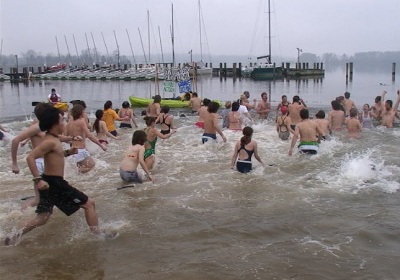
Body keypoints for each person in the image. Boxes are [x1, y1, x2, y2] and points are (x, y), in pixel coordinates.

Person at [4, 106, 103, 246]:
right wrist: (37, 180)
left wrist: (69, 152)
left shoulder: (53, 138)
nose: (64, 124)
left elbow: (56, 156)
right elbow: (30, 157)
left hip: (49, 181)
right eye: (62, 121)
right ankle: (99, 236)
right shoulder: (49, 141)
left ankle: (12, 237)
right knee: (89, 204)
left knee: (43, 217)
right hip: (55, 182)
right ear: (54, 124)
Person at [11, 103, 79, 208]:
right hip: (38, 162)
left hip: (47, 163)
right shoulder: (37, 126)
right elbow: (15, 140)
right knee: (39, 199)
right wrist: (14, 163)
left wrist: (72, 138)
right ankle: (20, 214)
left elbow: (58, 137)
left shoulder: (48, 127)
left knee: (48, 198)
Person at [66, 104, 107, 173]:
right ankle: (79, 172)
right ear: (80, 112)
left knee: (81, 167)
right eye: (83, 112)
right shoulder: (81, 121)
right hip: (81, 151)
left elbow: (66, 136)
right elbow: (89, 135)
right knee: (93, 165)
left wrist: (72, 141)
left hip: (73, 151)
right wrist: (101, 145)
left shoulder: (70, 121)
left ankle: (78, 177)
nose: (84, 113)